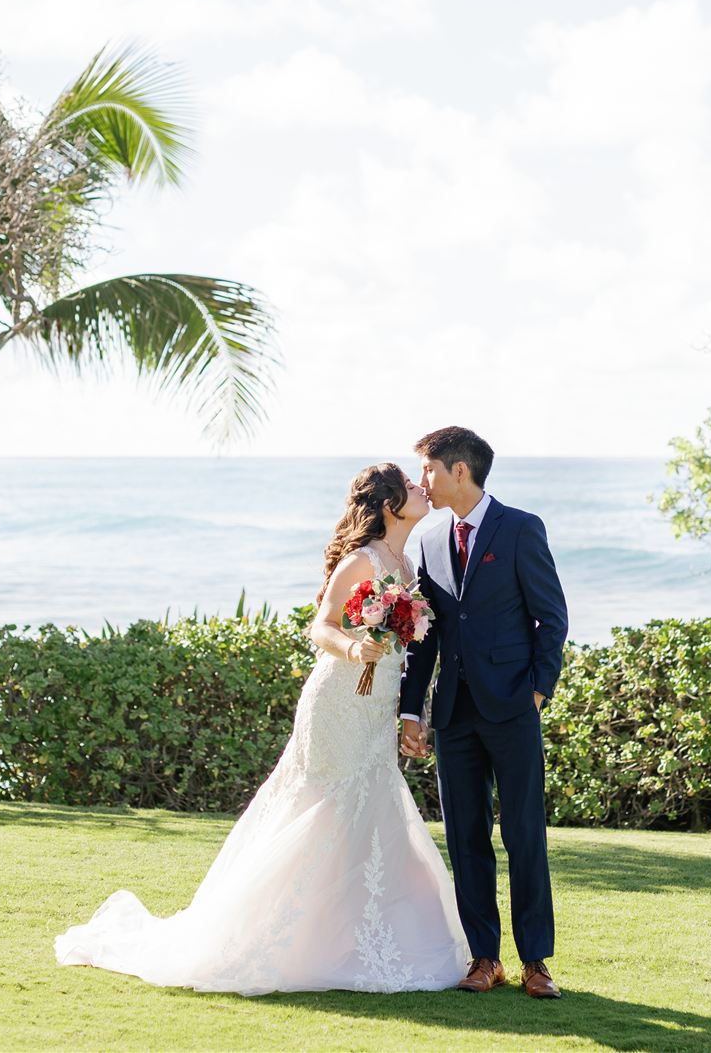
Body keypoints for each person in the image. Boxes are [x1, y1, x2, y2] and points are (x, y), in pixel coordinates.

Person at [55, 463, 470, 995]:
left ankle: (358, 938)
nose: (421, 488)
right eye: (412, 487)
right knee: (325, 807)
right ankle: (279, 938)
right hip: (339, 700)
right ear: (391, 505)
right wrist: (353, 646)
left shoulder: (406, 563)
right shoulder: (361, 560)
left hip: (376, 704)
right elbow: (321, 624)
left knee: (369, 809)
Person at [399, 425, 570, 999]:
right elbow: (425, 637)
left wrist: (538, 692)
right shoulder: (428, 539)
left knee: (525, 836)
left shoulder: (521, 529)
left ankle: (537, 963)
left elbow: (553, 618)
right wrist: (410, 711)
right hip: (454, 714)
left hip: (514, 709)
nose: (422, 481)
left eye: (427, 469)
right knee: (465, 837)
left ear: (459, 471)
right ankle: (484, 959)